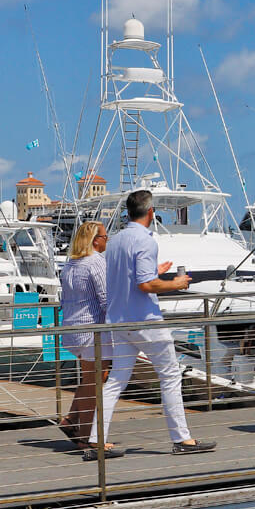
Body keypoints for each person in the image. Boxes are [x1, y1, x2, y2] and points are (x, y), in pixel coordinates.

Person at [91, 189, 214, 455]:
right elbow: (145, 285)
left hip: (119, 321)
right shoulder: (146, 241)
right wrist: (176, 283)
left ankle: (96, 439)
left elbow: (129, 277)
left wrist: (155, 272)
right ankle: (182, 439)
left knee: (115, 380)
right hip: (145, 320)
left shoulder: (115, 241)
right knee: (170, 375)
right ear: (150, 212)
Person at [57, 222, 109, 450]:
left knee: (91, 378)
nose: (108, 240)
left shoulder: (70, 264)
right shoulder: (96, 262)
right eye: (106, 236)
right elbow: (106, 299)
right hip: (91, 329)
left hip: (72, 329)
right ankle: (86, 437)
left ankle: (71, 420)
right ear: (96, 240)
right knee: (96, 381)